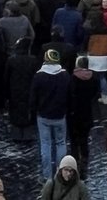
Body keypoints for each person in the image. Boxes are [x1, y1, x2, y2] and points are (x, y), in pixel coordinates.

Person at [32, 49, 69, 184]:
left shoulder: (39, 76)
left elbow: (33, 97)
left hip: (43, 116)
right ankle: (61, 174)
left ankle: (47, 176)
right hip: (60, 115)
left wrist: (33, 111)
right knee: (61, 143)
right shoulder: (65, 75)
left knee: (45, 145)